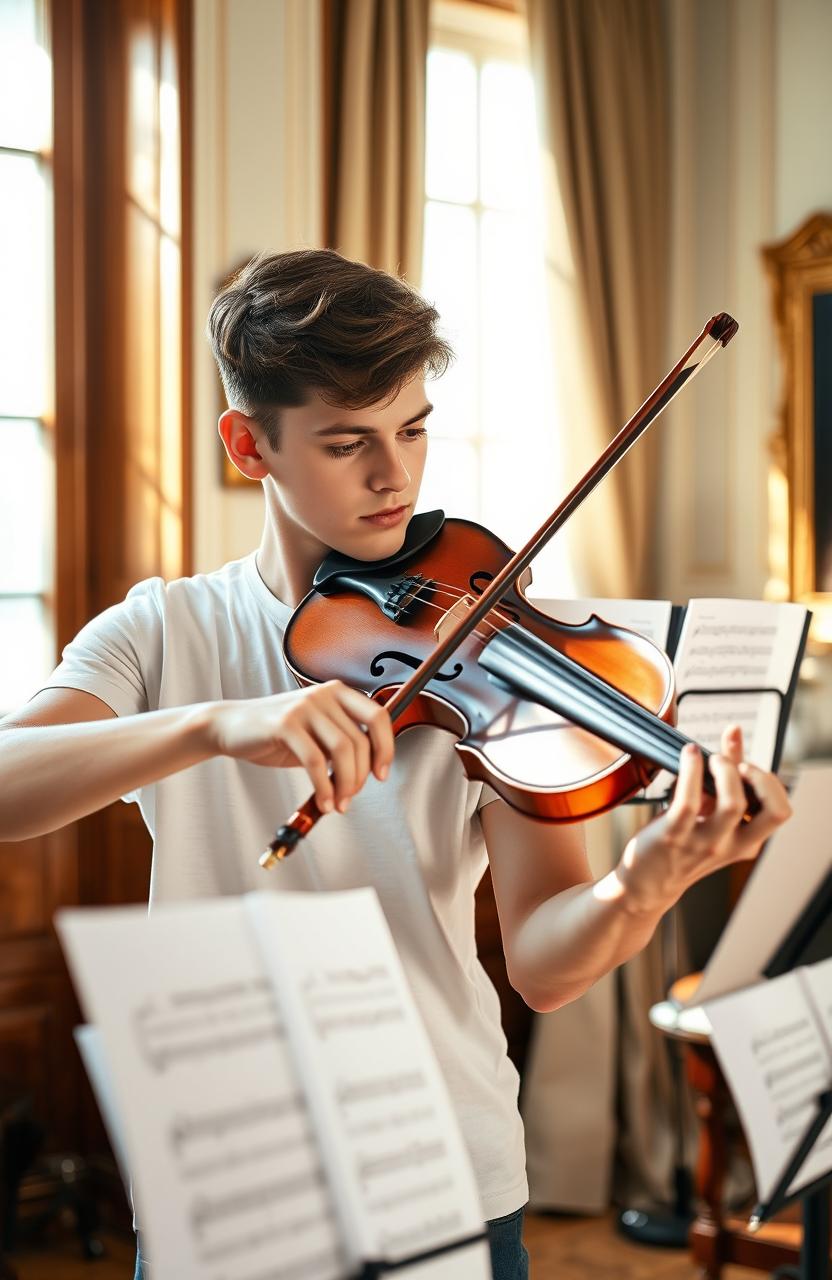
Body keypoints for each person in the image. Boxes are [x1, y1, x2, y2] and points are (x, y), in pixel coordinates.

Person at [0, 249, 792, 1280]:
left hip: (443, 1158)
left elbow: (546, 964)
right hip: (226, 1168)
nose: (395, 475)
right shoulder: (165, 628)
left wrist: (643, 879)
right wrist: (213, 727)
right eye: (347, 442)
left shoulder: (499, 637)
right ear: (250, 444)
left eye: (412, 428)